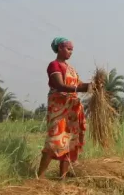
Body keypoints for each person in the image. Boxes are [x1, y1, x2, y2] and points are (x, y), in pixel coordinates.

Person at [37, 37, 90, 179]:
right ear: (59, 48)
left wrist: (93, 85)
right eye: (68, 49)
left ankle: (63, 177)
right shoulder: (54, 65)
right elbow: (60, 85)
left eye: (72, 50)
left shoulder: (71, 69)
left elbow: (80, 84)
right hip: (58, 108)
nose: (70, 52)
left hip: (72, 109)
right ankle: (39, 177)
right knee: (54, 140)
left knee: (70, 141)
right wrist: (82, 89)